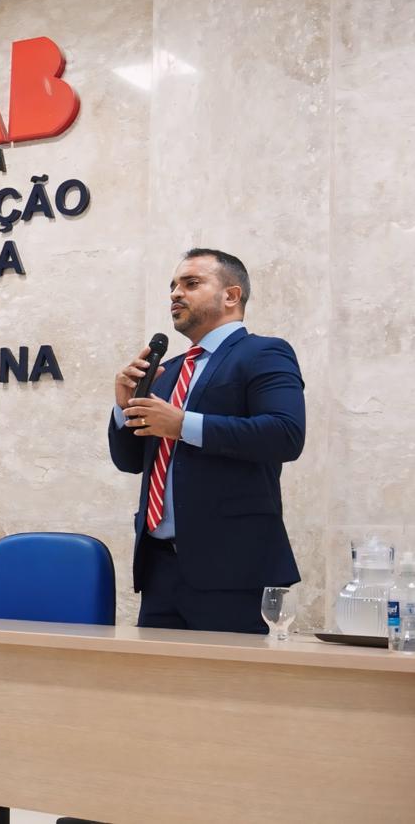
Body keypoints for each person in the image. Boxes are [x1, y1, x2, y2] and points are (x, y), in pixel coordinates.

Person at [108, 248, 305, 634]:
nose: (175, 294)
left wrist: (183, 424)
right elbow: (131, 461)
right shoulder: (167, 372)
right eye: (173, 286)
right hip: (160, 568)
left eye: (191, 283)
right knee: (157, 689)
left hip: (234, 570)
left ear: (231, 295)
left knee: (230, 691)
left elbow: (286, 434)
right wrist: (122, 407)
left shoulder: (264, 352)